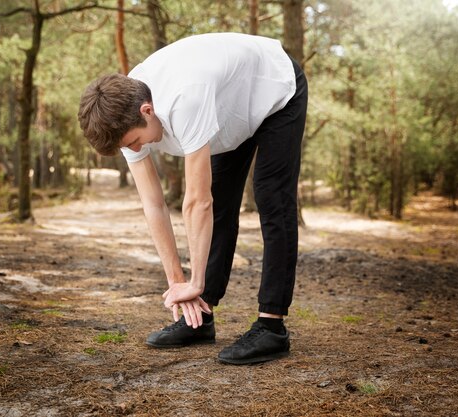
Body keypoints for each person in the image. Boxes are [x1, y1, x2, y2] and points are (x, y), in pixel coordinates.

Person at [78, 32, 307, 365]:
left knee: (271, 196)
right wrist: (178, 284)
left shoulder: (185, 100)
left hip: (275, 88)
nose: (136, 151)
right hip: (231, 106)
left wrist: (195, 280)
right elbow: (153, 205)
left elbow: (196, 202)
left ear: (147, 111)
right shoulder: (122, 118)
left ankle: (272, 326)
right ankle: (200, 317)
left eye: (135, 142)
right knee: (222, 201)